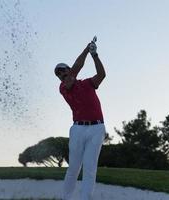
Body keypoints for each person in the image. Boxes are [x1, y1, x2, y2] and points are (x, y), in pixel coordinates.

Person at [54, 39, 106, 200]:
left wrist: (95, 55)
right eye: (59, 74)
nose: (62, 75)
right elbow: (77, 67)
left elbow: (102, 75)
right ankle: (66, 198)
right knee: (74, 168)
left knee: (90, 168)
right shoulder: (64, 88)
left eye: (63, 71)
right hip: (78, 129)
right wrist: (86, 50)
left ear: (67, 70)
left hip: (97, 128)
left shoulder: (88, 83)